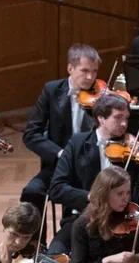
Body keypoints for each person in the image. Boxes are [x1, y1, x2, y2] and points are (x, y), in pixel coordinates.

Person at [48, 92, 139, 253]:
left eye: (126, 118)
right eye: (118, 117)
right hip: (82, 218)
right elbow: (56, 189)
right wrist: (93, 197)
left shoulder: (133, 152)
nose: (124, 123)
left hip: (123, 221)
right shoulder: (77, 144)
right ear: (101, 118)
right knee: (54, 254)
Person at [20, 43, 100, 210]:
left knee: (77, 201)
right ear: (70, 68)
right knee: (32, 192)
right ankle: (36, 229)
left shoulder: (101, 96)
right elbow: (31, 135)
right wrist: (60, 153)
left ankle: (70, 224)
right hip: (58, 166)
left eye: (94, 71)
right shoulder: (52, 91)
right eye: (85, 71)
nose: (90, 77)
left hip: (91, 168)